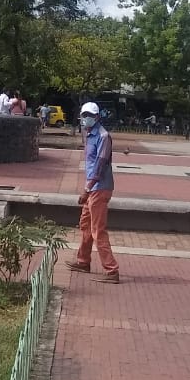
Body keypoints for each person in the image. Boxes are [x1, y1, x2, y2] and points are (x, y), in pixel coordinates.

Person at [66, 102, 120, 283]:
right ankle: (83, 261)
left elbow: (99, 165)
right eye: (83, 115)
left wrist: (86, 190)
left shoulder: (103, 137)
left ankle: (112, 270)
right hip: (92, 187)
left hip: (99, 187)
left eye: (89, 115)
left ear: (97, 117)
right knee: (86, 225)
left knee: (97, 229)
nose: (85, 118)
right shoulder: (88, 134)